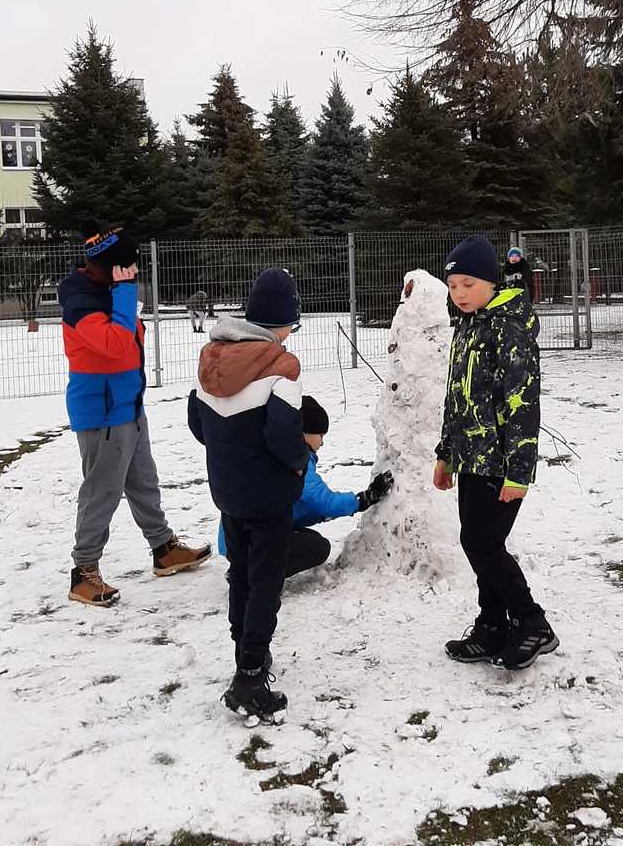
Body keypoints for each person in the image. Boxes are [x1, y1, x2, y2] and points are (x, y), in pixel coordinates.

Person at [60, 224, 211, 608]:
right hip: (103, 412)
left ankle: (163, 549)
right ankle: (84, 571)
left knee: (144, 482)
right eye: (126, 269)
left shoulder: (106, 293)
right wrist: (126, 291)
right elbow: (115, 345)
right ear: (110, 268)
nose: (132, 274)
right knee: (102, 491)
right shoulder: (82, 302)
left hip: (127, 406)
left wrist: (122, 291)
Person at [187, 268, 308, 725]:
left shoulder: (211, 358)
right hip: (270, 494)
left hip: (228, 491)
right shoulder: (282, 366)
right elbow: (283, 433)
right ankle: (251, 675)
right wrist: (298, 464)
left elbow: (197, 422)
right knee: (266, 581)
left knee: (240, 573)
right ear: (286, 321)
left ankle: (244, 652)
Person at [434, 234, 558, 670]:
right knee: (481, 542)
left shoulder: (509, 328)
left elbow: (523, 404)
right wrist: (445, 454)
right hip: (471, 458)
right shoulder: (468, 326)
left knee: (482, 542)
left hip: (502, 461)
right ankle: (492, 626)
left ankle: (532, 622)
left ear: (491, 282)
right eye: (453, 286)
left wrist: (519, 473)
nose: (460, 293)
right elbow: (456, 398)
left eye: (468, 284)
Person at [213, 394, 395, 577]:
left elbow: (297, 508)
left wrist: (326, 514)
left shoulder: (270, 449)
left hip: (235, 538)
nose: (322, 442)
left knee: (307, 538)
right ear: (304, 431)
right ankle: (251, 574)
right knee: (317, 547)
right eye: (320, 435)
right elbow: (321, 500)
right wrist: (363, 500)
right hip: (250, 539)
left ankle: (246, 567)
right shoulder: (294, 460)